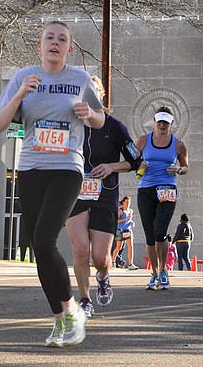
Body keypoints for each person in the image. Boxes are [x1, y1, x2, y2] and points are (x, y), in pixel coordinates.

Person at [0, 21, 105, 347]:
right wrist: (21, 95)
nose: (55, 43)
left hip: (67, 169)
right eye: (50, 38)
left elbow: (100, 118)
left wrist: (89, 113)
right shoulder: (23, 78)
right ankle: (61, 320)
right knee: (40, 251)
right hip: (30, 169)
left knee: (43, 240)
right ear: (39, 45)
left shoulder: (81, 79)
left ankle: (71, 312)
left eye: (62, 39)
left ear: (69, 47)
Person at [66, 76, 140, 318]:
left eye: (93, 91)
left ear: (102, 96)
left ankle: (103, 275)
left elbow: (136, 160)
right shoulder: (69, 123)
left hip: (104, 194)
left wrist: (110, 167)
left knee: (100, 257)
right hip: (75, 194)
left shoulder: (114, 127)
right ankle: (85, 299)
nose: (88, 96)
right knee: (79, 251)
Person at [135, 106, 189, 290]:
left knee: (160, 231)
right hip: (145, 189)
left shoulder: (178, 144)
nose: (162, 125)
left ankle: (164, 270)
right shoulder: (143, 140)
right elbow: (131, 160)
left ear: (171, 124)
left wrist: (179, 170)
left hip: (167, 188)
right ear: (154, 122)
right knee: (150, 236)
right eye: (160, 121)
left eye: (166, 122)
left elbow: (185, 167)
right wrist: (138, 164)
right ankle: (154, 273)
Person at [113, 196, 139, 270]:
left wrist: (131, 221)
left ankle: (131, 264)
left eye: (129, 202)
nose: (128, 204)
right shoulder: (120, 211)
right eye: (127, 202)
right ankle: (113, 262)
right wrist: (126, 218)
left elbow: (129, 220)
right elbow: (117, 221)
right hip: (120, 230)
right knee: (119, 247)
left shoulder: (131, 211)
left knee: (131, 246)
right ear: (123, 202)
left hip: (128, 230)